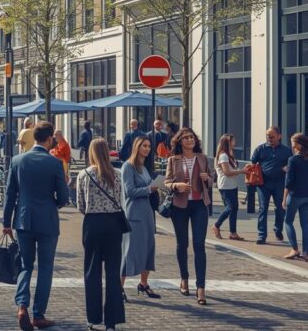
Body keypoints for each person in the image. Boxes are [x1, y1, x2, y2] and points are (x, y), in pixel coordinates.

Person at [2, 121, 69, 331]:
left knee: (25, 265)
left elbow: (9, 194)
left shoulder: (17, 160)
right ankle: (38, 314)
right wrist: (53, 204)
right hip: (47, 221)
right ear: (49, 139)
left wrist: (6, 223)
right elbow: (64, 197)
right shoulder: (54, 163)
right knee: (46, 268)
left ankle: (22, 306)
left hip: (23, 220)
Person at [77, 138, 126, 331]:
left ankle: (93, 318)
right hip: (113, 223)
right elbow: (121, 200)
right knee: (113, 273)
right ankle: (111, 321)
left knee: (92, 271)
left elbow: (81, 205)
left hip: (93, 224)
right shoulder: (118, 174)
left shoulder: (84, 175)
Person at [165, 127, 212, 305]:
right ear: (179, 142)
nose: (189, 140)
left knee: (199, 245)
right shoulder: (173, 160)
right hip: (180, 205)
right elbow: (167, 182)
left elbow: (212, 179)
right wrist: (177, 185)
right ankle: (184, 278)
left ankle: (201, 287)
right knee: (182, 244)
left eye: (192, 137)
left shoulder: (202, 158)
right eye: (185, 138)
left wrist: (207, 178)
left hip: (200, 204)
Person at [120, 137, 160, 300]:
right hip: (134, 214)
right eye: (144, 146)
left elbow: (148, 186)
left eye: (149, 146)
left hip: (147, 213)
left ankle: (143, 284)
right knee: (130, 252)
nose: (147, 149)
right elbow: (129, 191)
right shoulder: (128, 167)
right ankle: (119, 287)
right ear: (137, 147)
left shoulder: (143, 167)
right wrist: (150, 189)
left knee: (148, 249)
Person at [250, 126, 292, 245]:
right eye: (268, 136)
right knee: (263, 208)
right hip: (263, 184)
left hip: (280, 184)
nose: (269, 139)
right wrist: (255, 171)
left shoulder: (286, 151)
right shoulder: (260, 149)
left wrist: (286, 168)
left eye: (272, 137)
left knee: (280, 208)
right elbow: (253, 162)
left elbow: (291, 165)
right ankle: (261, 235)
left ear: (279, 136)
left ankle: (278, 229)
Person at [284, 133, 308, 261]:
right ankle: (306, 253)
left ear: (298, 144)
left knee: (288, 221)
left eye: (292, 142)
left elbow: (289, 182)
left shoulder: (292, 160)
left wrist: (284, 199)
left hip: (296, 195)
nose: (291, 144)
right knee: (305, 224)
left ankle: (294, 249)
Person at [213, 134, 247, 241]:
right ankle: (217, 225)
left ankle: (233, 232)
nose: (235, 142)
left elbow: (232, 169)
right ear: (228, 142)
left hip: (232, 185)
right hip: (225, 186)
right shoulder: (223, 155)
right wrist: (242, 171)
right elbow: (227, 172)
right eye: (233, 140)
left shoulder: (229, 154)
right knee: (230, 207)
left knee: (234, 208)